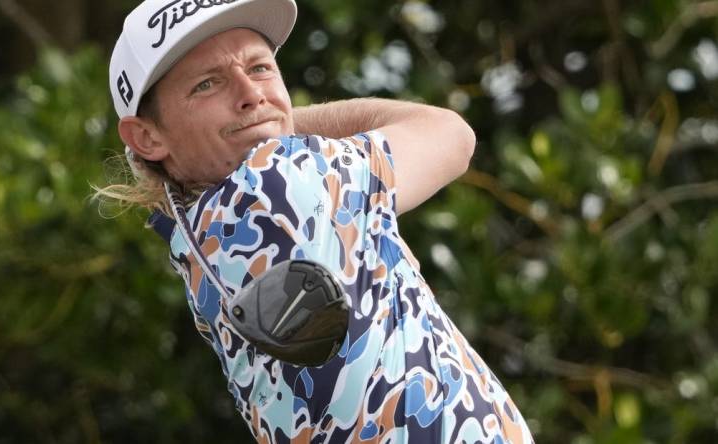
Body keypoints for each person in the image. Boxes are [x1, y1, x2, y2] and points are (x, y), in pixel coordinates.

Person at [101, 0, 534, 442]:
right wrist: (275, 123)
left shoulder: (191, 234)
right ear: (147, 136)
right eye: (206, 85)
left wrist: (260, 122)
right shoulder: (281, 175)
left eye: (260, 69)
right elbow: (451, 135)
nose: (251, 93)